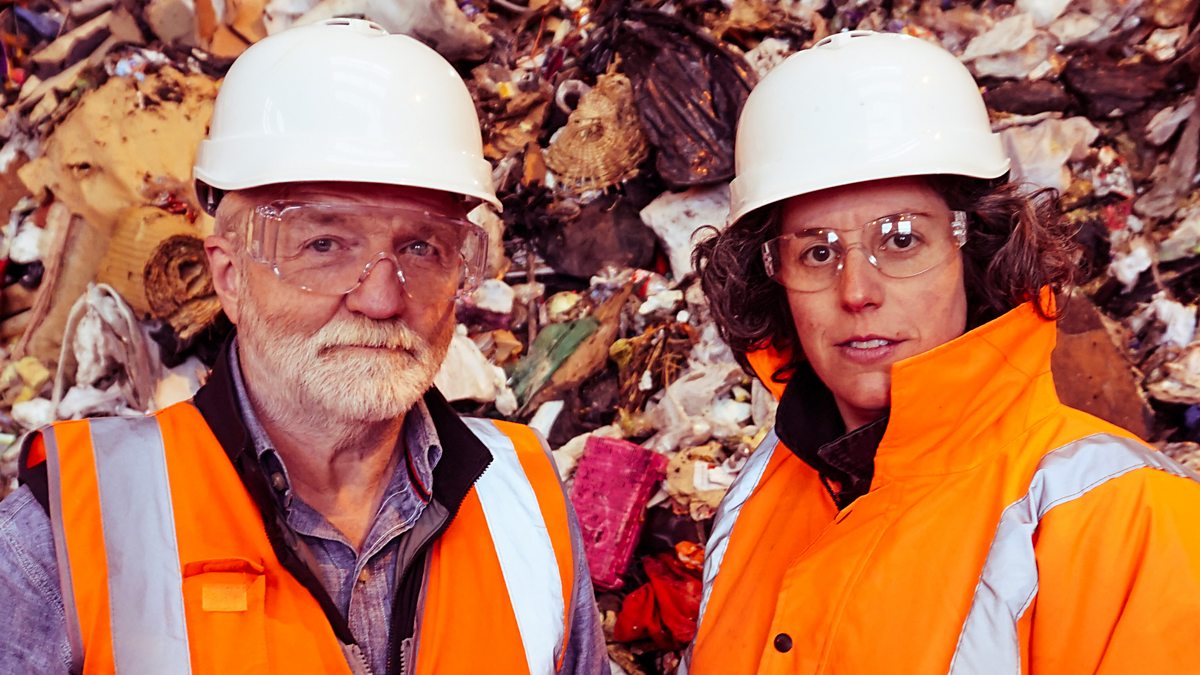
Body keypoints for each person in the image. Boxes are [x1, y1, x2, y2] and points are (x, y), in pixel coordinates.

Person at [0, 19, 605, 675]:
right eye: (324, 244)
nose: (380, 298)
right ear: (229, 275)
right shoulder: (69, 528)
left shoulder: (524, 492)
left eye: (421, 248)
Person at [683, 30, 1200, 674]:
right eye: (817, 252)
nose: (857, 292)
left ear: (975, 249)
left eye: (901, 240)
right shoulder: (756, 497)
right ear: (773, 280)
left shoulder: (1122, 516)